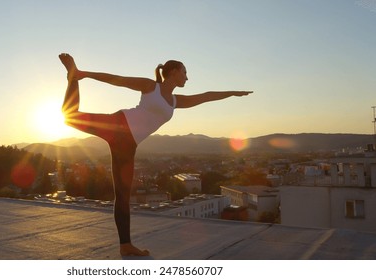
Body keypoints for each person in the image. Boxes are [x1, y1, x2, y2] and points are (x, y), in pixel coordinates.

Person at [59, 53, 252, 257]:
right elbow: (117, 79)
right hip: (119, 125)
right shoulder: (151, 87)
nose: (187, 77)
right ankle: (73, 77)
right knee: (69, 117)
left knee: (123, 196)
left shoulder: (175, 101)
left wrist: (232, 93)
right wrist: (83, 74)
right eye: (185, 72)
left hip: (128, 145)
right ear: (174, 72)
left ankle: (125, 244)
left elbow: (206, 96)